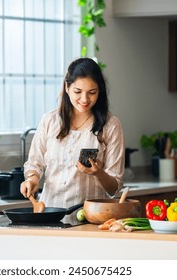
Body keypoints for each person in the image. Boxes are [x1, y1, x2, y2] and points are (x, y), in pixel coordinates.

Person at [20, 57, 125, 209]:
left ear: (99, 92)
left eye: (92, 92)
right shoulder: (50, 121)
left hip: (90, 217)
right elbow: (35, 164)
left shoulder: (111, 125)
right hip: (50, 213)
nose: (84, 99)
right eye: (78, 91)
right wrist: (31, 179)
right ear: (67, 87)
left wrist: (98, 173)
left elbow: (114, 188)